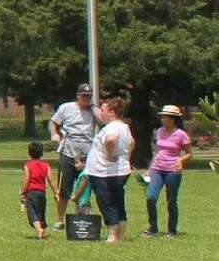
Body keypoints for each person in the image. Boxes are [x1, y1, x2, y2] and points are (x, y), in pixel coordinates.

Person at [49, 83, 101, 229]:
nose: (86, 99)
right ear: (78, 95)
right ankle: (60, 220)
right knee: (64, 186)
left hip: (87, 150)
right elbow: (53, 123)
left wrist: (93, 108)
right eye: (84, 96)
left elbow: (103, 122)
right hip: (68, 149)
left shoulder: (93, 110)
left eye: (89, 96)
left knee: (86, 184)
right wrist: (54, 134)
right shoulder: (66, 107)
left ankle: (83, 216)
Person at [85, 97, 134, 243]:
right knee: (118, 201)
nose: (101, 112)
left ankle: (112, 236)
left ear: (112, 112)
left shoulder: (112, 128)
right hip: (119, 171)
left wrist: (109, 154)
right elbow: (132, 142)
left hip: (105, 174)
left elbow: (111, 140)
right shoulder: (124, 126)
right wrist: (126, 159)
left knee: (107, 202)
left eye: (103, 110)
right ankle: (120, 235)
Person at [143, 105, 192, 237]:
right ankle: (153, 228)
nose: (162, 119)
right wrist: (150, 169)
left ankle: (171, 230)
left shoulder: (181, 135)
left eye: (165, 116)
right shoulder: (160, 131)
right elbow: (158, 151)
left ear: (173, 119)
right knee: (150, 198)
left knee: (171, 200)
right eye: (162, 116)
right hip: (157, 169)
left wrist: (180, 161)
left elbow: (189, 153)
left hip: (172, 171)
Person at [21, 141, 53, 239]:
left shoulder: (28, 165)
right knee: (41, 213)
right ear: (41, 153)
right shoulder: (46, 165)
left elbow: (26, 180)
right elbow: (51, 179)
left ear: (29, 153)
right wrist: (56, 192)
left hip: (31, 193)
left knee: (32, 213)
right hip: (42, 193)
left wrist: (23, 191)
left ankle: (39, 230)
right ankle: (43, 230)